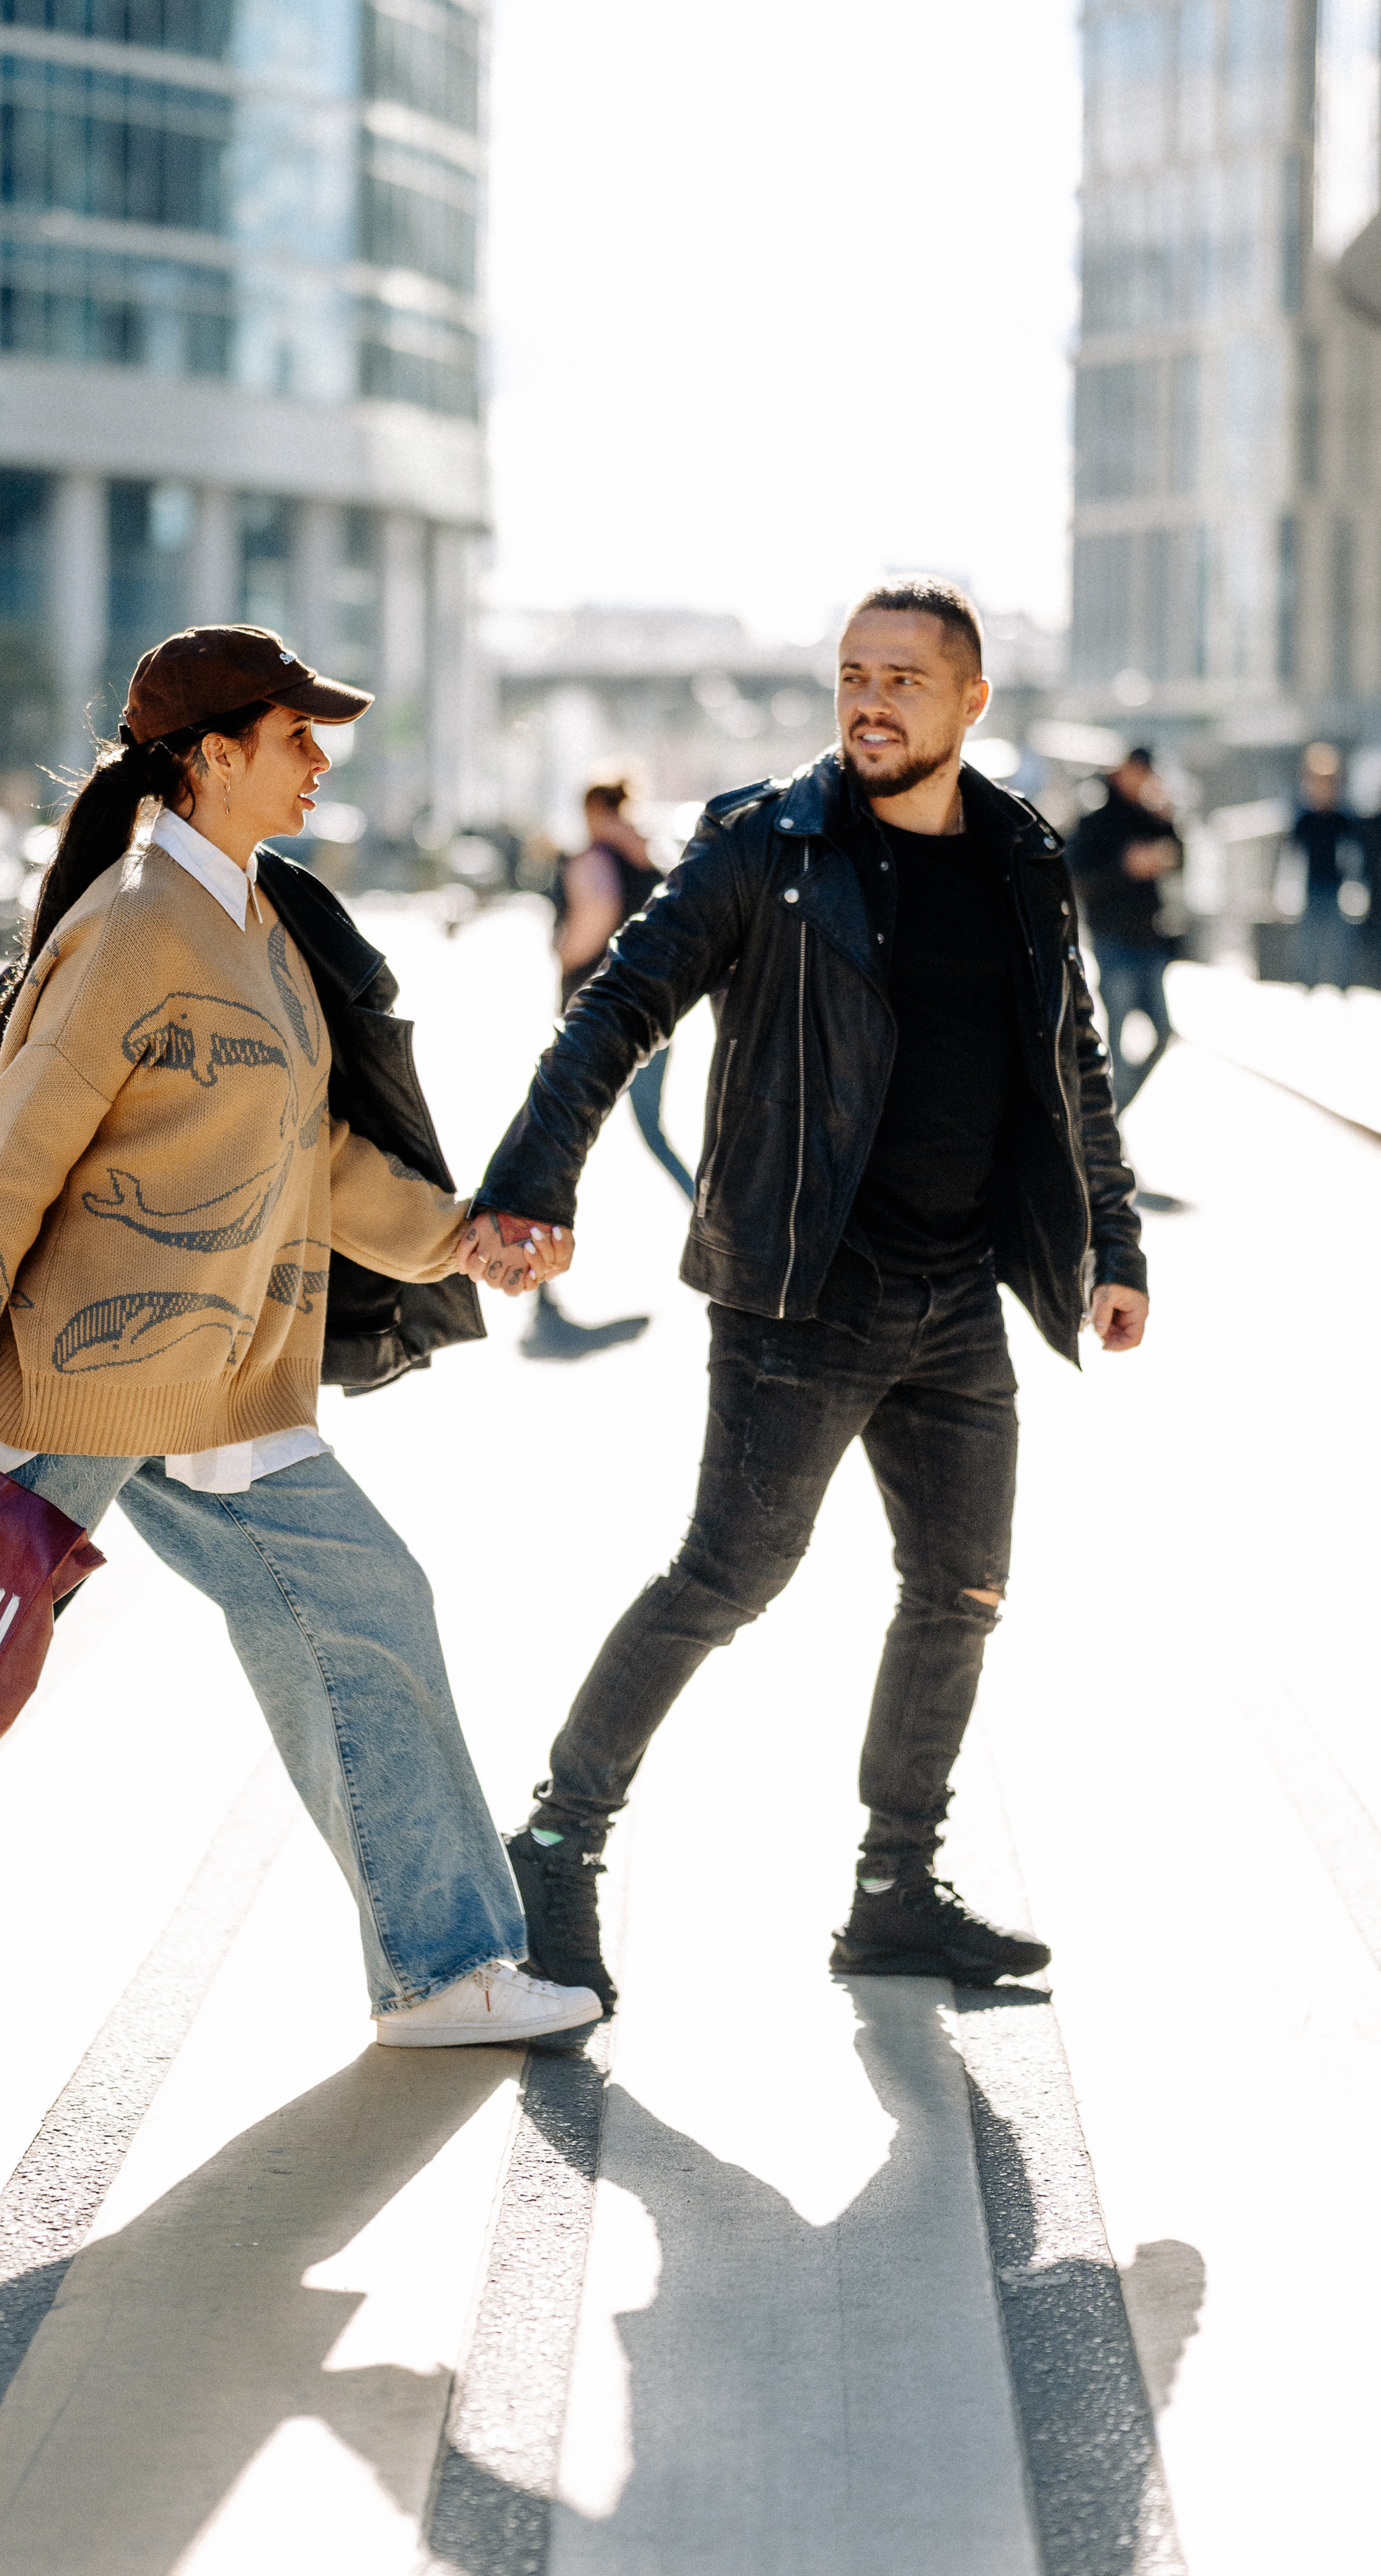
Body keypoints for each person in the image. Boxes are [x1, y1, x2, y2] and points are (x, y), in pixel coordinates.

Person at [0, 627, 598, 2061]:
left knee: (365, 1608)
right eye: (291, 737)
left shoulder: (251, 916)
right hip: (75, 1379)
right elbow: (8, 1160)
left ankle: (442, 1971)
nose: (318, 759)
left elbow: (305, 1155)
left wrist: (457, 1236)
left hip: (216, 1385)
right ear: (208, 758)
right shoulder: (137, 920)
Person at [461, 580, 1149, 2007]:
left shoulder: (1021, 855)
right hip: (800, 1287)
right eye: (850, 673)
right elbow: (616, 1008)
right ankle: (555, 1841)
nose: (868, 700)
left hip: (959, 1292)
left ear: (970, 700)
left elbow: (1068, 1055)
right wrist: (533, 1182)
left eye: (901, 676)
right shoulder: (765, 846)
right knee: (727, 1575)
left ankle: (894, 1887)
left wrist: (1115, 1244)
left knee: (958, 1591)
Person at [524, 768, 690, 1362]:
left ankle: (536, 1251)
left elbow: (588, 924)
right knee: (653, 1130)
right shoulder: (654, 853)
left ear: (596, 810)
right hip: (655, 1013)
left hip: (594, 1019)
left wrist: (561, 948)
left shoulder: (593, 857)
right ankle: (714, 1225)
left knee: (564, 1136)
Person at [1066, 746, 1184, 1112]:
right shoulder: (1095, 821)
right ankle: (1108, 1115)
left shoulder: (1151, 817)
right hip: (1113, 939)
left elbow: (1179, 859)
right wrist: (1125, 866)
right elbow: (1079, 875)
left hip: (1151, 938)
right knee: (1116, 1034)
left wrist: (1169, 824)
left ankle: (1117, 1105)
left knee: (1162, 1031)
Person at [1289, 742, 1365, 991]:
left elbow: (1353, 853)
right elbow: (1293, 856)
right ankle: (1308, 986)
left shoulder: (1343, 818)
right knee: (1308, 942)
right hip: (1310, 888)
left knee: (1339, 943)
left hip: (1337, 888)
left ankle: (1340, 987)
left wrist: (1355, 884)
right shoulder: (1305, 818)